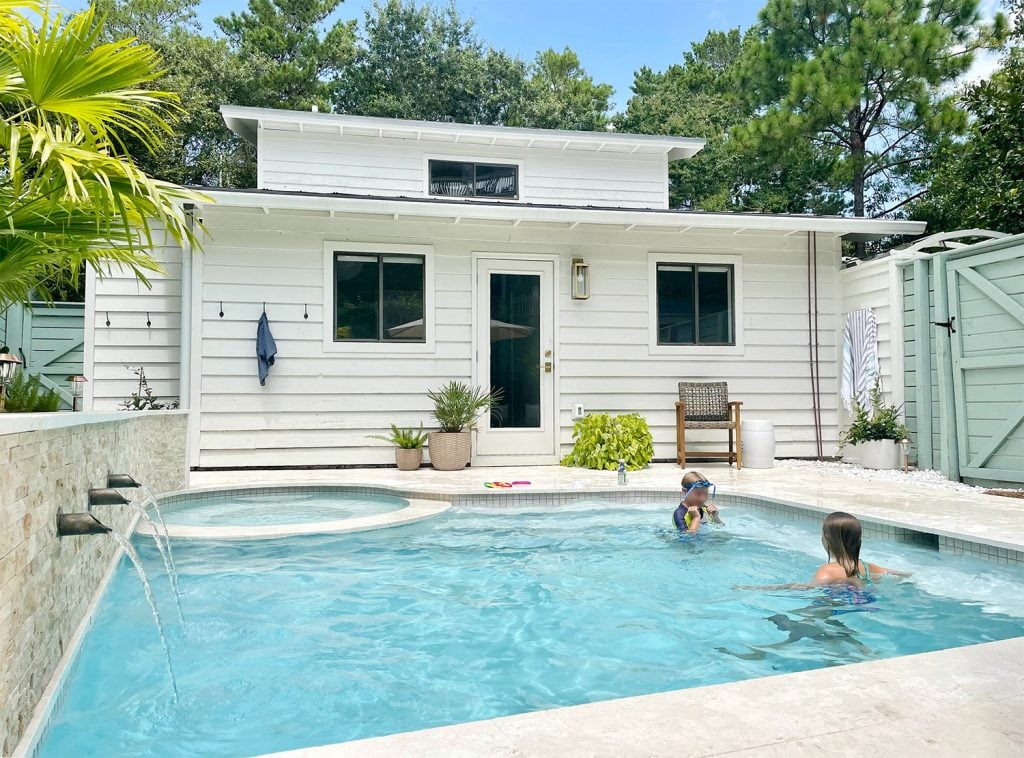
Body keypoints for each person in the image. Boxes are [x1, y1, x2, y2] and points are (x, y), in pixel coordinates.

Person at [813, 511, 909, 585]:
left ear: (828, 539)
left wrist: (799, 587)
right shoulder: (867, 567)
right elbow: (896, 574)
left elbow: (814, 587)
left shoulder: (827, 571)